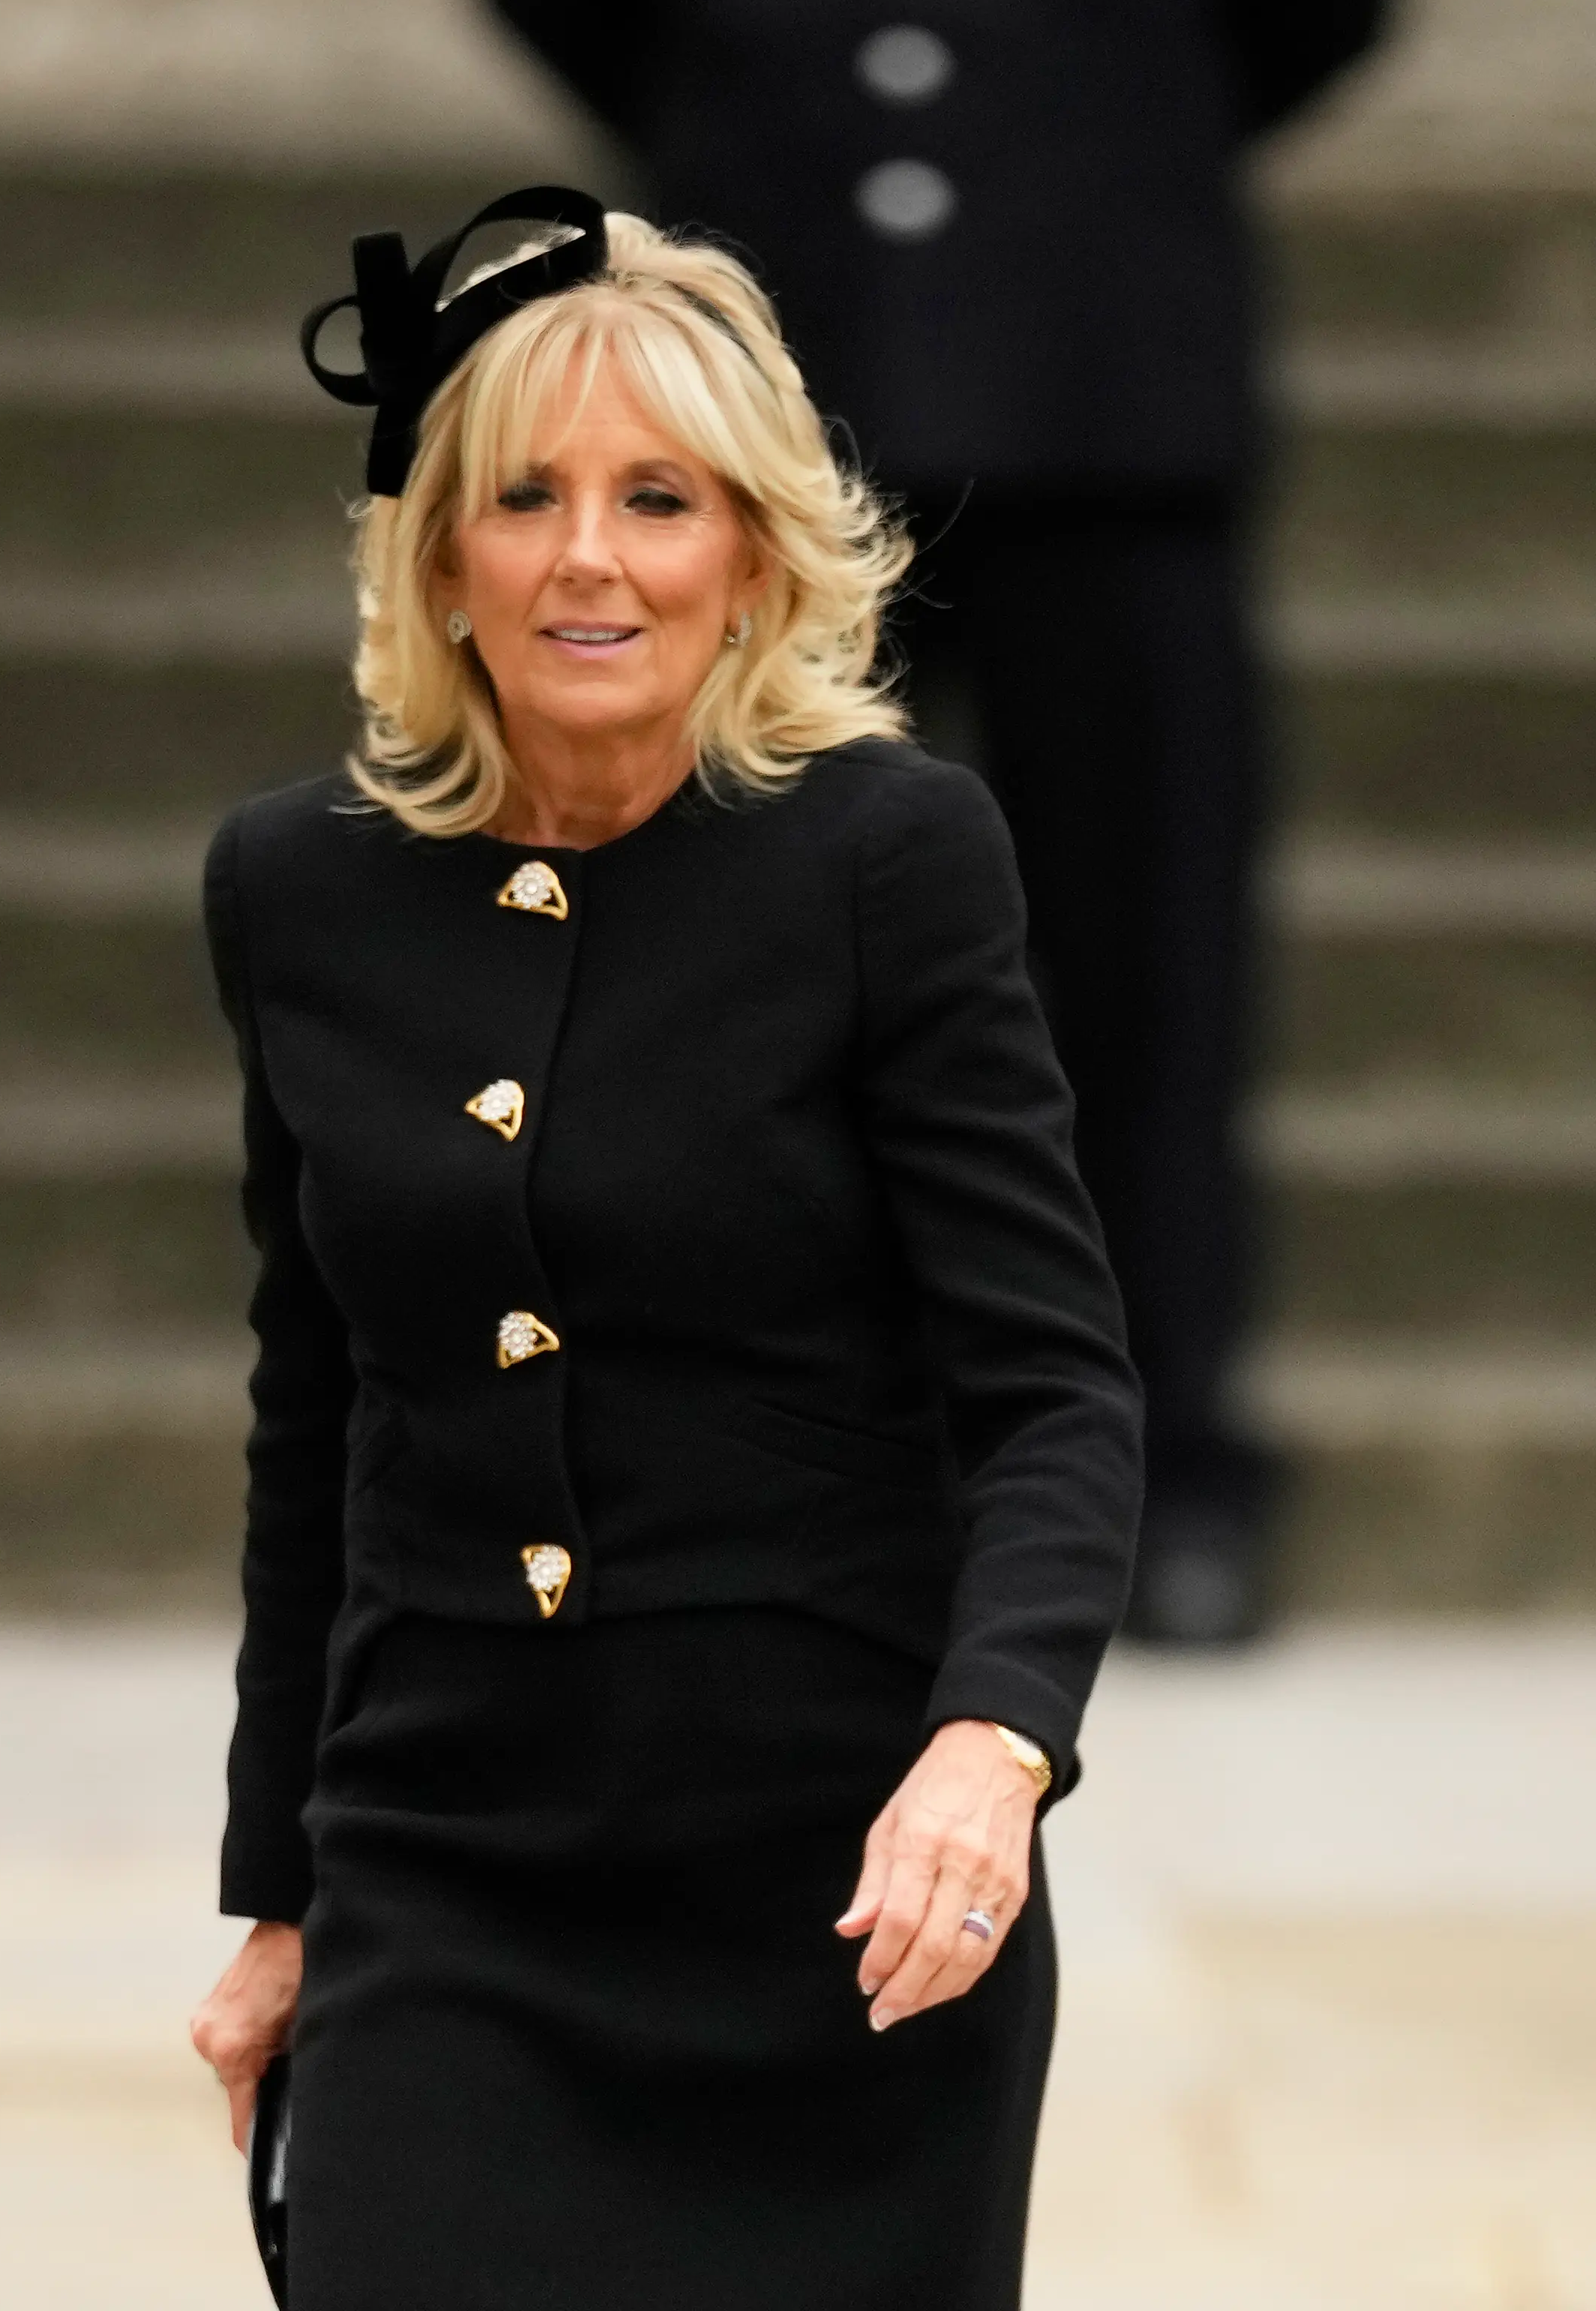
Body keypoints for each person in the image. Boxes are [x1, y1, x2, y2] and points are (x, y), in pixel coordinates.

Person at [182, 190, 1142, 2310]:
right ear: (440, 548)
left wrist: (995, 1749)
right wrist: (281, 1893)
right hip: (452, 1878)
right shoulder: (296, 892)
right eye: (525, 496)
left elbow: (1056, 1388)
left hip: (842, 1890)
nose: (589, 556)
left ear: (755, 556)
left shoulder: (895, 859)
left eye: (658, 498)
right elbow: (314, 1416)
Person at [488, 0, 1397, 1644]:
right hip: (773, 434)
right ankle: (740, 1463)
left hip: (1116, 424)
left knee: (1147, 980)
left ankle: (1161, 1474)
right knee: (725, 969)